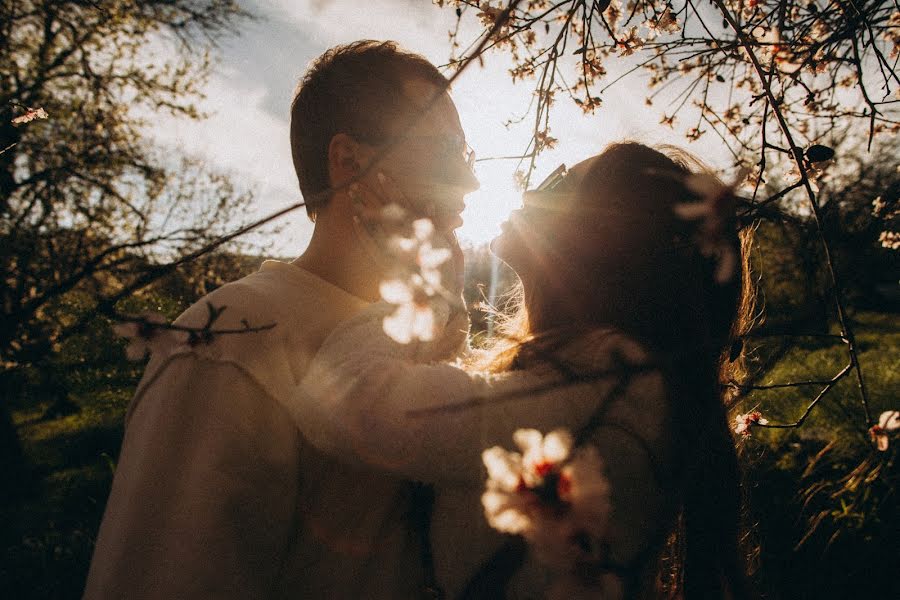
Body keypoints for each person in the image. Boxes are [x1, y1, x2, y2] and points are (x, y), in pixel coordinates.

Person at [83, 40, 478, 599]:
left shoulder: (420, 334)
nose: (471, 185)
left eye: (468, 157)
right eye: (444, 154)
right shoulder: (227, 346)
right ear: (351, 164)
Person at [298, 142, 755, 598]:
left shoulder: (614, 385)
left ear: (600, 234)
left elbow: (342, 396)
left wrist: (423, 287)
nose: (531, 190)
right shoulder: (599, 377)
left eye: (557, 181)